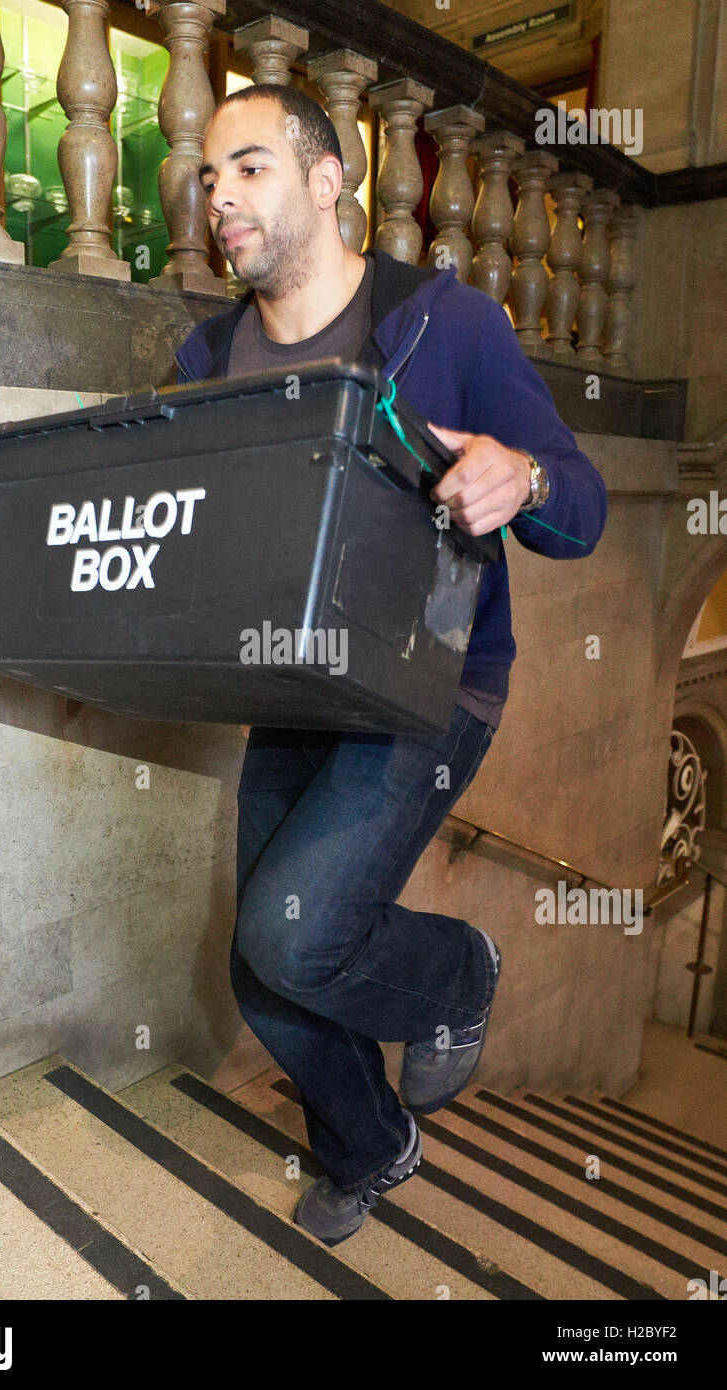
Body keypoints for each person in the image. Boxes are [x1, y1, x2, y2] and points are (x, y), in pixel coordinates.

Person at [174, 83, 607, 1247]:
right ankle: (372, 1143)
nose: (220, 197)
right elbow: (183, 518)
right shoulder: (207, 350)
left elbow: (584, 506)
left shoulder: (444, 322)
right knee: (261, 970)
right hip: (288, 684)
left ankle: (460, 971)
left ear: (328, 181)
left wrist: (530, 478)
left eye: (251, 168)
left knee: (294, 933)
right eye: (209, 175)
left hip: (427, 686)